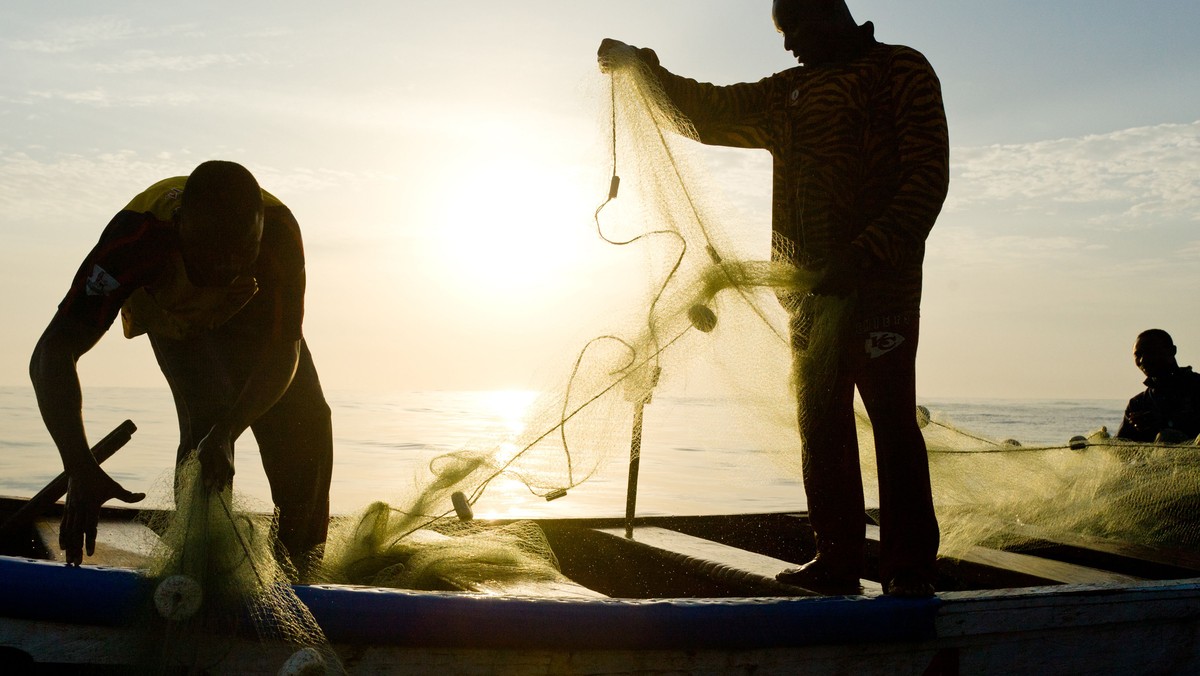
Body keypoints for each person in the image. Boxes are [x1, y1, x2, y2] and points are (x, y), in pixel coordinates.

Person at [599, 0, 948, 597]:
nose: (787, 47)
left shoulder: (901, 71)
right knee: (820, 424)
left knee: (892, 424)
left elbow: (927, 177)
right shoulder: (788, 92)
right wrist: (642, 69)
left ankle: (909, 568)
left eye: (794, 31)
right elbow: (708, 110)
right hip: (807, 294)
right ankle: (836, 560)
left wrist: (862, 254)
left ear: (829, 14)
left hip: (880, 290)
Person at [30, 160, 333, 576]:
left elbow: (285, 353)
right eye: (212, 255)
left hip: (251, 305)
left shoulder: (279, 232)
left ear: (259, 233)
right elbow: (53, 352)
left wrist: (231, 430)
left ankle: (302, 566)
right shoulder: (137, 237)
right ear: (180, 226)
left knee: (306, 423)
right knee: (205, 421)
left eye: (239, 253)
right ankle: (201, 568)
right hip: (171, 306)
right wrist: (79, 465)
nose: (225, 268)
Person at [1116, 329, 1200, 444]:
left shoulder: (1196, 386)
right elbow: (1120, 446)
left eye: (1151, 352)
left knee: (1167, 436)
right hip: (1154, 461)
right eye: (1138, 354)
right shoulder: (1137, 404)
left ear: (1172, 351)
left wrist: (1164, 423)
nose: (1143, 360)